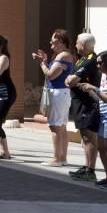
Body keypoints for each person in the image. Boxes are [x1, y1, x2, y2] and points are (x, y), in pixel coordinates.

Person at [80, 50, 107, 189]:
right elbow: (102, 100)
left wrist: (94, 88)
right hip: (105, 116)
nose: (98, 66)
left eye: (100, 63)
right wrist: (90, 91)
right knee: (102, 147)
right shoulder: (106, 77)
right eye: (97, 63)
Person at [32, 29, 75, 166]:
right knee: (61, 126)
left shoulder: (62, 56)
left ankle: (57, 158)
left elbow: (50, 74)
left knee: (55, 126)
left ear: (61, 41)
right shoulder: (64, 55)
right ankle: (62, 158)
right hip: (63, 93)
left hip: (58, 92)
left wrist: (42, 64)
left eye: (53, 40)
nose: (50, 42)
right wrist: (45, 60)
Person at [66, 33, 101, 181]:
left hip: (88, 104)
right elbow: (69, 80)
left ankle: (91, 170)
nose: (75, 45)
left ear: (84, 45)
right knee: (84, 137)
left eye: (77, 43)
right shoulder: (82, 60)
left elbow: (71, 80)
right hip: (79, 103)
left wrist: (69, 80)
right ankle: (87, 167)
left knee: (89, 137)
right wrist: (69, 80)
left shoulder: (90, 60)